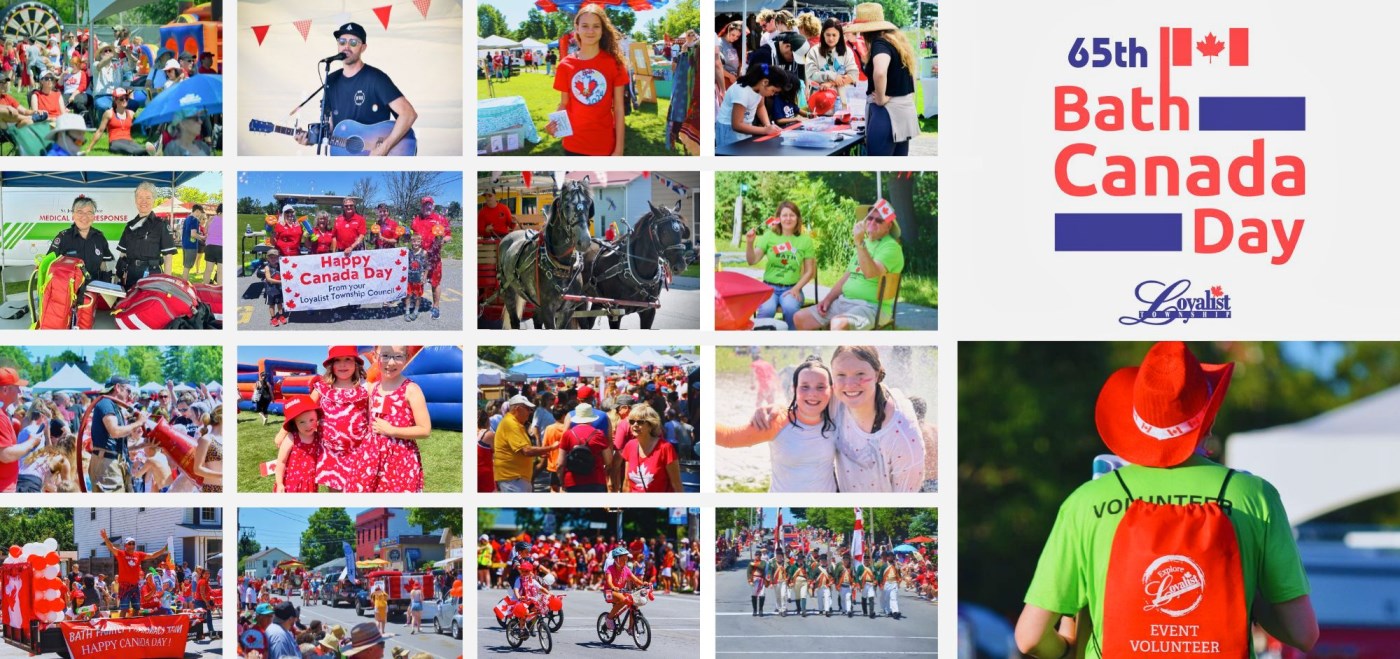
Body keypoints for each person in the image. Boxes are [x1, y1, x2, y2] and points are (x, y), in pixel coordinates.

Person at [1013, 341, 1318, 658]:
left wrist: (1064, 649)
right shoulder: (1254, 496)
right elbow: (1303, 633)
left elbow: (1030, 637)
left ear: (1136, 423)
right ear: (1208, 421)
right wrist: (1247, 598)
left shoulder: (1087, 501)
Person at [716, 357, 837, 492]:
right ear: (794, 389)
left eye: (820, 387)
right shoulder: (777, 420)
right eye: (805, 387)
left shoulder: (838, 418)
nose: (813, 393)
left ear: (831, 390)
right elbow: (728, 438)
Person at [297, 22, 417, 157]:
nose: (346, 46)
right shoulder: (331, 80)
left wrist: (384, 147)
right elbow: (332, 129)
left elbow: (408, 114)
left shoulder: (376, 78)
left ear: (363, 47)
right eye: (342, 41)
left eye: (353, 42)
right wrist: (311, 139)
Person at [793, 203, 904, 331]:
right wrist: (828, 299)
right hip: (844, 301)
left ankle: (841, 350)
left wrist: (859, 242)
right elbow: (847, 277)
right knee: (800, 317)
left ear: (888, 226)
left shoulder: (891, 247)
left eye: (879, 220)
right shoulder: (865, 243)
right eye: (870, 218)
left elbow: (870, 273)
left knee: (838, 323)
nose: (872, 222)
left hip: (872, 307)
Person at [548, 4, 628, 156]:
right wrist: (554, 125)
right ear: (576, 28)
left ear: (602, 30)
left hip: (604, 145)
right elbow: (564, 103)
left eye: (596, 26)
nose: (590, 31)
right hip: (572, 145)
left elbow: (618, 109)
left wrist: (619, 149)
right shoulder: (565, 65)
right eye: (585, 26)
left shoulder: (614, 64)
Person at [846, 3, 918, 156]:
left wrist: (880, 97)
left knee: (877, 166)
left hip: (886, 112)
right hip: (903, 110)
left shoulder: (879, 44)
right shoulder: (894, 42)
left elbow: (879, 72)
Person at [358, 345, 430, 492]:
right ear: (376, 356)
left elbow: (425, 430)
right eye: (385, 356)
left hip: (400, 458)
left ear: (407, 359)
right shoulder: (373, 388)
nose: (391, 363)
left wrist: (392, 430)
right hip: (371, 457)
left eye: (398, 357)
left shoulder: (411, 389)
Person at [746, 201, 816, 330]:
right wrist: (750, 243)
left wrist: (796, 289)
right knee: (766, 310)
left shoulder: (805, 240)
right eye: (784, 215)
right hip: (769, 288)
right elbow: (752, 260)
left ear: (798, 218)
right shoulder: (769, 236)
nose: (788, 218)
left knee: (790, 309)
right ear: (778, 218)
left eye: (792, 215)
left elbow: (810, 271)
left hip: (792, 288)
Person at [89, 376, 147, 493]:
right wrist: (138, 423)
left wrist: (142, 445)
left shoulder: (113, 406)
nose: (129, 395)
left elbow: (116, 444)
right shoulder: (106, 404)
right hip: (107, 465)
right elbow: (115, 432)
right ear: (117, 388)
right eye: (128, 390)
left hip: (113, 462)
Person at [115, 181, 176, 290]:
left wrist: (167, 284)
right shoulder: (129, 226)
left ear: (154, 200)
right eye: (140, 197)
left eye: (148, 197)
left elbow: (168, 257)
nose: (144, 201)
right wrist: (118, 275)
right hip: (130, 276)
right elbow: (122, 254)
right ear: (135, 200)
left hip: (151, 277)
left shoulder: (161, 225)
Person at [493, 395, 559, 492]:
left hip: (517, 478)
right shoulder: (510, 424)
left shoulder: (515, 423)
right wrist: (551, 447)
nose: (530, 412)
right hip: (513, 478)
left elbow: (524, 449)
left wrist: (541, 451)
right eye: (528, 409)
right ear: (518, 409)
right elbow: (526, 450)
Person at [47, 195, 115, 281]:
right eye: (80, 212)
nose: (84, 216)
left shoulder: (100, 238)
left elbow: (104, 266)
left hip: (93, 288)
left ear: (94, 216)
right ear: (73, 215)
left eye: (89, 212)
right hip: (70, 290)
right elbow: (49, 264)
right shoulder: (63, 237)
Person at [716, 63, 786, 146]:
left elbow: (761, 106)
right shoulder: (742, 92)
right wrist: (765, 130)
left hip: (745, 127)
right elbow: (737, 125)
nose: (772, 94)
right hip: (729, 130)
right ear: (765, 82)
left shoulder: (759, 89)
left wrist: (768, 125)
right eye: (773, 90)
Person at [99, 529, 168, 609]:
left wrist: (164, 549)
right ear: (125, 545)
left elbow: (152, 555)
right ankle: (123, 622)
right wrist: (105, 538)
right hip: (124, 586)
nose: (132, 545)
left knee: (137, 608)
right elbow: (111, 547)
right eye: (129, 544)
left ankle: (135, 621)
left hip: (135, 586)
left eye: (133, 543)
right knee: (124, 609)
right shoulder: (121, 554)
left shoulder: (138, 554)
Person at [620, 403, 682, 492]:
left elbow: (676, 484)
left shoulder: (665, 448)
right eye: (632, 421)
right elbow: (626, 482)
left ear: (651, 425)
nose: (635, 425)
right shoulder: (630, 445)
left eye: (640, 422)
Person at [408, 196, 450, 319]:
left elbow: (448, 235)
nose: (427, 206)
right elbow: (412, 236)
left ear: (433, 205)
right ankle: (415, 303)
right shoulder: (416, 220)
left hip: (434, 258)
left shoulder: (440, 219)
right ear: (421, 206)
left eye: (429, 204)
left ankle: (436, 307)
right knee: (416, 281)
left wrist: (443, 240)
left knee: (435, 283)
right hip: (419, 257)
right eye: (425, 204)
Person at [560, 403, 613, 492]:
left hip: (572, 482)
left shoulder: (567, 434)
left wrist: (561, 480)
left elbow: (560, 464)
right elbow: (608, 460)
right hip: (596, 481)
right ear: (591, 418)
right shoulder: (599, 434)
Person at [275, 397, 322, 493]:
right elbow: (281, 462)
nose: (308, 425)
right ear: (295, 423)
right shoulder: (292, 437)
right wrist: (279, 483)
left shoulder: (318, 437)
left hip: (310, 484)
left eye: (312, 420)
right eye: (302, 422)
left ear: (317, 418)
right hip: (290, 484)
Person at [84, 87, 150, 155]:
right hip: (115, 142)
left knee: (140, 148)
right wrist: (89, 148)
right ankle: (144, 153)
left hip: (128, 140)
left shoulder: (130, 113)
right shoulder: (109, 113)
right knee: (134, 150)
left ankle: (149, 152)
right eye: (121, 99)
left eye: (126, 98)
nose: (124, 100)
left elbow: (141, 123)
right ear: (115, 100)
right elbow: (100, 131)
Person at [804, 18, 858, 101]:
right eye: (828, 35)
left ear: (840, 35)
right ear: (823, 34)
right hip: (818, 99)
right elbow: (811, 74)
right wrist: (831, 75)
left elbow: (853, 75)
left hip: (840, 99)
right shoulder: (814, 51)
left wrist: (831, 83)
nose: (831, 38)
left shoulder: (847, 52)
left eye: (834, 35)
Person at [603, 546, 645, 631]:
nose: (625, 561)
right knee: (623, 600)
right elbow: (609, 581)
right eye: (623, 559)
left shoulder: (626, 569)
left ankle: (631, 628)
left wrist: (643, 583)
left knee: (634, 603)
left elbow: (635, 579)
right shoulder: (610, 569)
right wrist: (613, 587)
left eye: (626, 559)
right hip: (609, 592)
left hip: (620, 592)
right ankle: (609, 618)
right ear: (616, 559)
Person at [256, 248, 286, 327]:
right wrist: (281, 282)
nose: (273, 259)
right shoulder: (267, 267)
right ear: (268, 258)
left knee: (280, 303)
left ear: (278, 258)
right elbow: (269, 279)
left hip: (279, 289)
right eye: (271, 257)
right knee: (271, 305)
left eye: (275, 257)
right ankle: (273, 318)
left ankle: (281, 315)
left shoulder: (280, 266)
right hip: (270, 290)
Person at [179, 205, 206, 280]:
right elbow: (193, 234)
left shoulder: (187, 218)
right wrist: (202, 237)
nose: (200, 214)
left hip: (185, 245)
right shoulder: (194, 220)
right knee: (188, 266)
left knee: (186, 266)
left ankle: (184, 282)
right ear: (197, 211)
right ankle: (184, 283)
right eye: (200, 212)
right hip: (191, 246)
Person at [404, 233, 426, 322]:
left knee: (418, 296)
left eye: (418, 241)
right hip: (409, 278)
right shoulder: (408, 252)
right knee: (408, 295)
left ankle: (416, 311)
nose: (416, 243)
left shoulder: (424, 253)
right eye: (413, 241)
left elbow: (427, 266)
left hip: (419, 278)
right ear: (411, 242)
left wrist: (425, 276)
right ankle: (407, 311)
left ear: (421, 242)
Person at [203, 203, 223, 285]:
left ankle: (204, 288)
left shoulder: (211, 218)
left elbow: (205, 231)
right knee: (220, 271)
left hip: (210, 247)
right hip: (221, 247)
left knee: (208, 270)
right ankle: (219, 291)